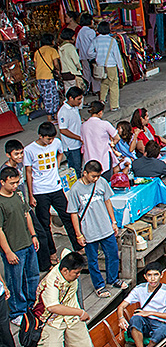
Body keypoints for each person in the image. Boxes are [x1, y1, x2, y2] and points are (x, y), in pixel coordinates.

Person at [35, 251, 99, 347]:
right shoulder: (52, 282)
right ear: (64, 271)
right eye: (76, 273)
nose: (78, 276)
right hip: (53, 319)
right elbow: (53, 307)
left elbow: (66, 251)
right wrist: (80, 312)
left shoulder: (68, 265)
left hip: (71, 316)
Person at [25, 122, 82, 267]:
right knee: (45, 224)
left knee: (67, 216)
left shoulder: (57, 143)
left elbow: (61, 152)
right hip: (40, 191)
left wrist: (56, 165)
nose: (50, 141)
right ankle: (51, 252)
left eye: (51, 139)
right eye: (47, 139)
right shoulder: (29, 150)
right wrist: (31, 195)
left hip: (56, 188)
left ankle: (79, 247)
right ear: (40, 136)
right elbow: (29, 172)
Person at [68, 161, 124, 298]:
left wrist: (113, 222)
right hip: (89, 230)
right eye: (93, 176)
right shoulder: (75, 190)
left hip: (105, 226)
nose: (96, 179)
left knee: (113, 254)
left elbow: (107, 201)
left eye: (98, 176)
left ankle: (113, 279)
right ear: (85, 173)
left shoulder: (102, 182)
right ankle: (99, 285)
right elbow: (73, 213)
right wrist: (78, 234)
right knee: (92, 260)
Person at [0, 167, 39, 331]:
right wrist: (8, 251)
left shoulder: (17, 195)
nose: (16, 186)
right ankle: (17, 311)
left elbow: (27, 215)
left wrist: (33, 235)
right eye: (12, 183)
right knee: (15, 281)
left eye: (17, 182)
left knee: (32, 276)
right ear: (2, 182)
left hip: (27, 243)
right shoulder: (1, 202)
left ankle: (31, 306)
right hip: (14, 248)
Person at [116, 262, 166, 347]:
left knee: (160, 333)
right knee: (135, 319)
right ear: (145, 277)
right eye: (149, 275)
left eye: (156, 275)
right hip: (146, 321)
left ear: (161, 275)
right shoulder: (139, 289)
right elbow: (121, 306)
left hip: (162, 322)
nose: (153, 278)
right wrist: (121, 318)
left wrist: (150, 312)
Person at [81, 101, 121, 181]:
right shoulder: (105, 124)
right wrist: (112, 144)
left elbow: (82, 140)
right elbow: (117, 137)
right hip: (104, 157)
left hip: (89, 158)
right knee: (105, 181)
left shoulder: (84, 125)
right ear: (100, 112)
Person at [94, 22, 124, 112]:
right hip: (111, 65)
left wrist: (96, 56)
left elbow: (89, 52)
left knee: (104, 83)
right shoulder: (112, 40)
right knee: (114, 84)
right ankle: (114, 105)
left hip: (100, 65)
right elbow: (117, 55)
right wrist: (120, 68)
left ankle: (102, 101)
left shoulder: (95, 40)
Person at [57, 87, 85, 177]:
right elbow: (63, 130)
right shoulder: (63, 112)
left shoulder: (74, 108)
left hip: (78, 143)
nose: (80, 101)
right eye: (78, 99)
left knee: (79, 167)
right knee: (75, 169)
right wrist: (78, 138)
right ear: (70, 98)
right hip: (71, 146)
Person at [33, 33, 61, 119]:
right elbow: (56, 63)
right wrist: (58, 70)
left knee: (46, 96)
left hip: (40, 76)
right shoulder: (52, 50)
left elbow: (35, 65)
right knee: (53, 96)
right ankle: (52, 116)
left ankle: (51, 115)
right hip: (48, 76)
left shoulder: (37, 52)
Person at [75, 13, 97, 95]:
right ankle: (95, 89)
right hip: (91, 56)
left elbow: (77, 45)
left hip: (83, 56)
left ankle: (86, 89)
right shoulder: (91, 32)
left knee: (86, 73)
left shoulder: (80, 31)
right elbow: (94, 43)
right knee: (94, 73)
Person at [58, 29, 84, 93]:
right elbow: (76, 61)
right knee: (77, 92)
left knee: (67, 91)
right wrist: (80, 68)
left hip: (64, 73)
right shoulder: (70, 47)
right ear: (71, 37)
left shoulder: (60, 48)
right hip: (72, 72)